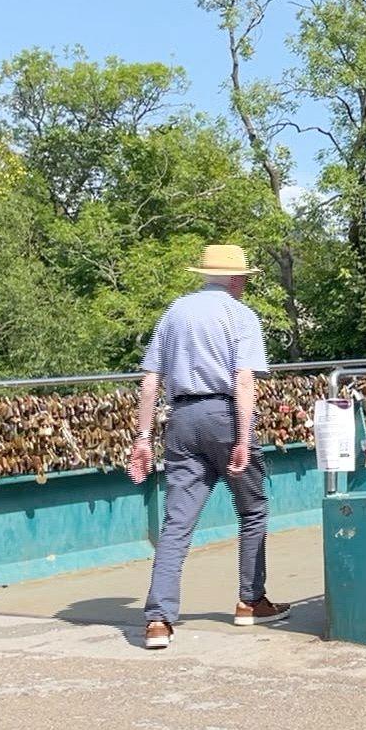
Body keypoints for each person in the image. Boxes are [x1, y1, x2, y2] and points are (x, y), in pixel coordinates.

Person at [126, 244, 287, 650]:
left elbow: (149, 382)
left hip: (180, 420)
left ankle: (159, 620)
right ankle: (250, 601)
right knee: (252, 509)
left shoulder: (174, 313)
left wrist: (142, 438)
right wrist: (244, 437)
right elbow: (244, 381)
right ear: (235, 279)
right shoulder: (240, 314)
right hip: (224, 415)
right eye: (245, 278)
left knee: (177, 522)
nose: (246, 284)